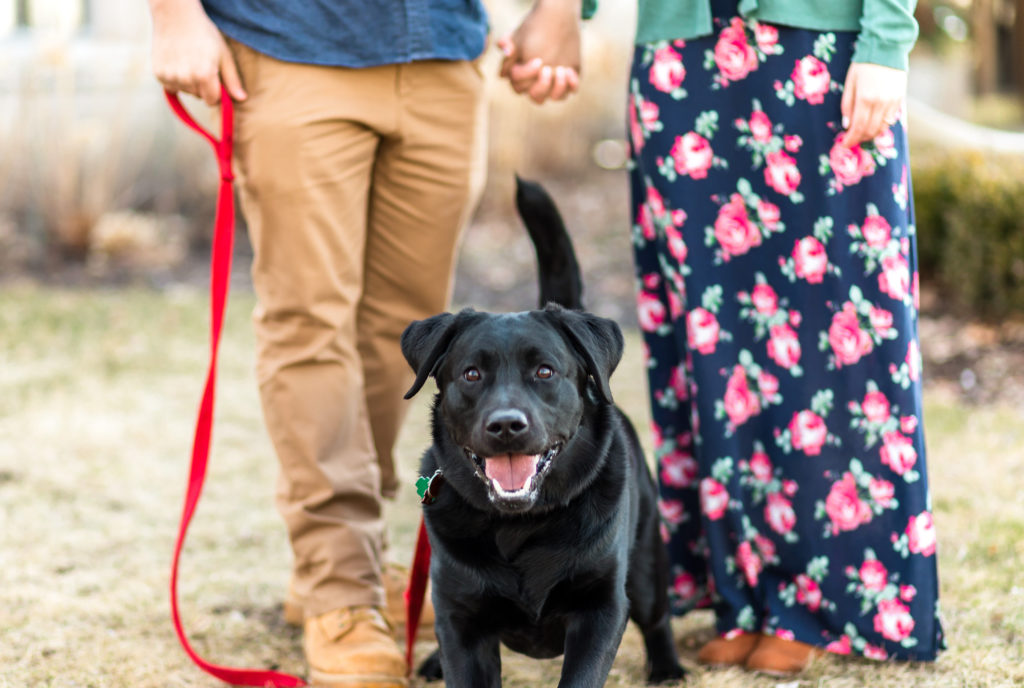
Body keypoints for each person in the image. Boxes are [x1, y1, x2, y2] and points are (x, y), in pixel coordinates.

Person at [148, 1, 585, 686]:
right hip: (291, 45)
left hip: (443, 51)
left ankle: (347, 557)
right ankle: (337, 583)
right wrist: (173, 15)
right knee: (310, 324)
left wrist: (557, 10)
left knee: (408, 336)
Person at [502, 0, 945, 676]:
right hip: (681, 56)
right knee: (709, 344)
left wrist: (886, 38)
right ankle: (743, 595)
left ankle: (822, 597)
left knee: (837, 336)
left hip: (820, 46)